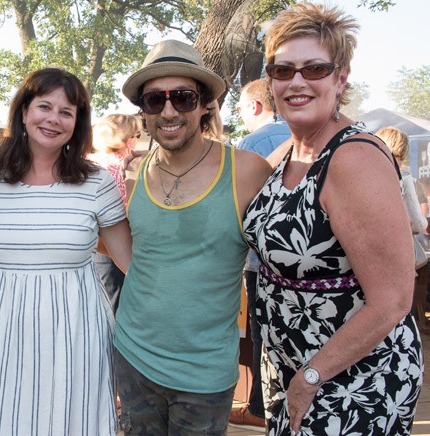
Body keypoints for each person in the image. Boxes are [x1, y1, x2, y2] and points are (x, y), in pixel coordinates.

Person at [242, 3, 422, 434]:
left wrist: (310, 378)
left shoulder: (354, 157)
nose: (297, 81)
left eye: (314, 69)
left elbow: (393, 300)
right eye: (283, 70)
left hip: (350, 379)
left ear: (341, 78)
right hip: (293, 368)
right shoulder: (290, 150)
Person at [0, 67, 132, 435]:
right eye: (45, 107)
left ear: (77, 123)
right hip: (0, 327)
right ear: (24, 112)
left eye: (66, 112)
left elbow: (130, 261)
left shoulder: (97, 182)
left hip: (74, 331)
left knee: (68, 420)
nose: (54, 119)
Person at [113, 39, 272, 434]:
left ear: (204, 105)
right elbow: (129, 249)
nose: (168, 111)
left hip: (205, 375)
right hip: (132, 356)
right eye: (154, 101)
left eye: (182, 98)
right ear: (144, 113)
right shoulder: (134, 173)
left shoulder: (248, 171)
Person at [230, 77, 291, 429]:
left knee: (262, 335)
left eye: (239, 108)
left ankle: (258, 407)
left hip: (261, 262)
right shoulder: (308, 137)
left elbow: (242, 209)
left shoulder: (253, 144)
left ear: (254, 106)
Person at [376, 126, 429, 331]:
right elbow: (417, 222)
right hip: (398, 256)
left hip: (367, 257)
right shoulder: (404, 177)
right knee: (402, 313)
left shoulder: (364, 174)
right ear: (403, 149)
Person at [89, 113, 140, 312]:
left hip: (91, 248)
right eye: (137, 134)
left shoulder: (88, 162)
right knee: (118, 308)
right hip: (115, 248)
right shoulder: (124, 167)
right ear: (128, 140)